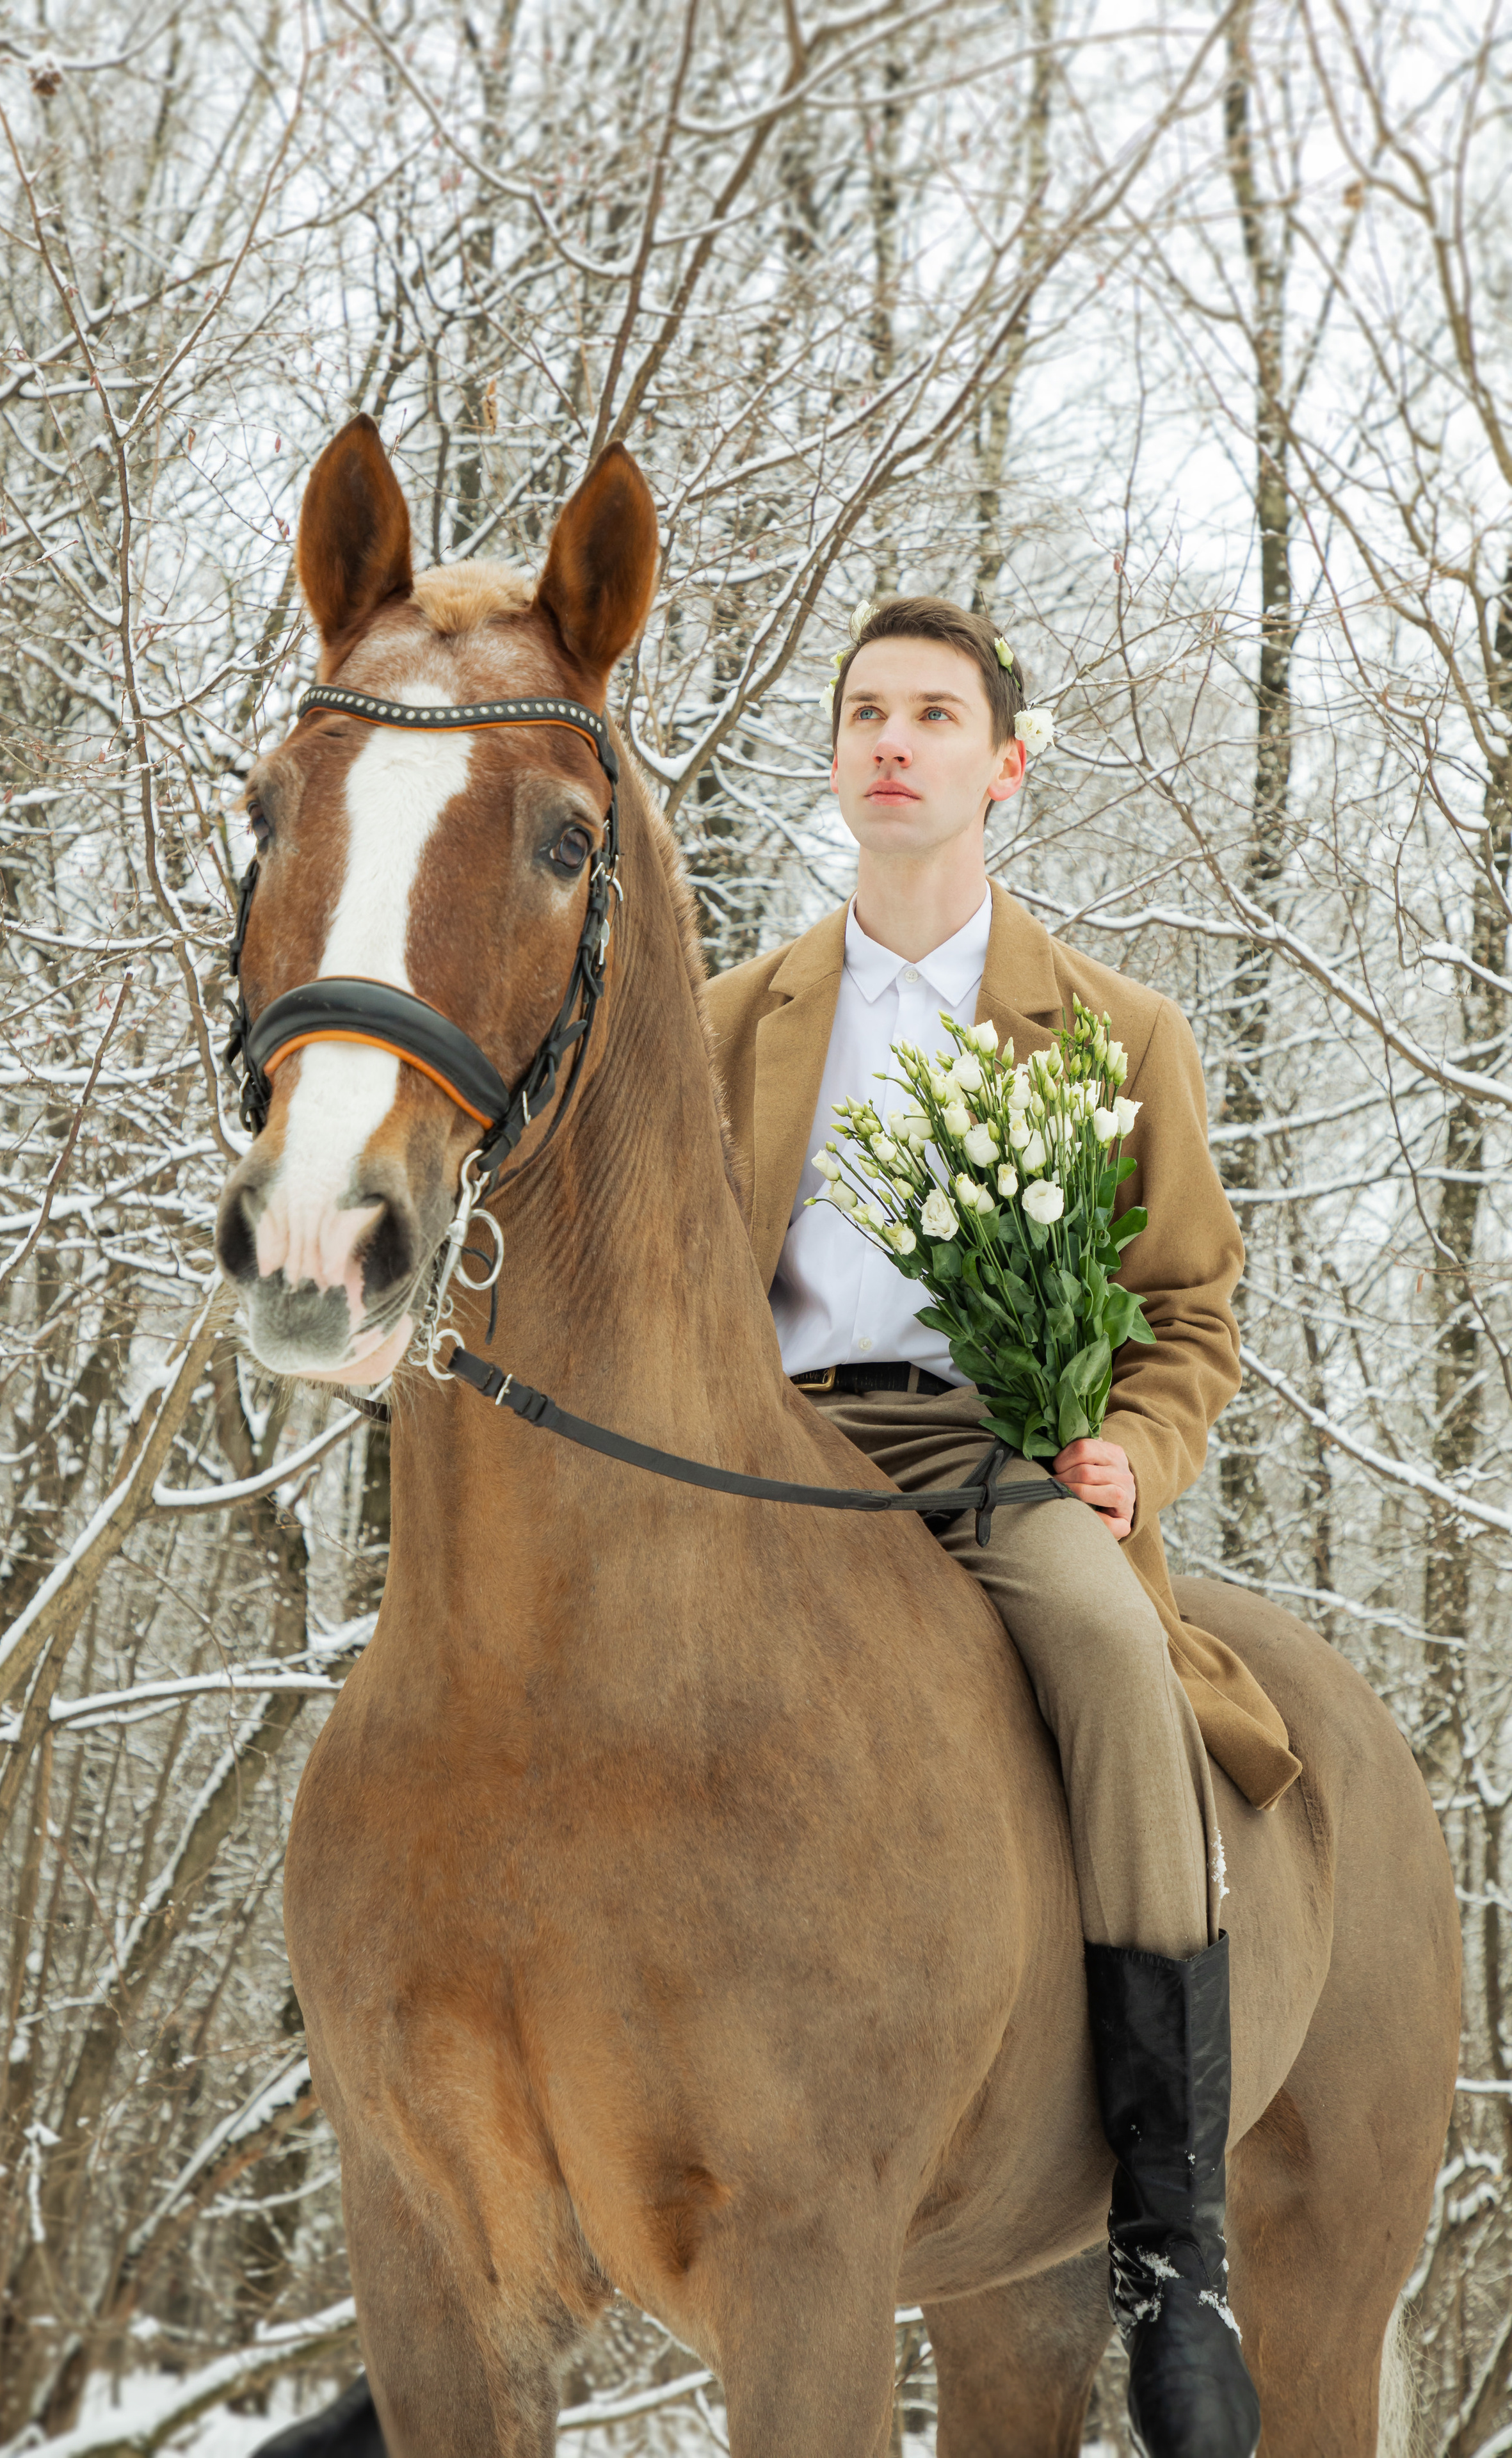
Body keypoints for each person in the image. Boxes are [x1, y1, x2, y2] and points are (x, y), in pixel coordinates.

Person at [704, 598, 1303, 2458]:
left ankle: (1171, 2251)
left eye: (935, 716)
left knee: (1121, 1661)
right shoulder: (729, 1023)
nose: (896, 741)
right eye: (866, 713)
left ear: (1002, 764)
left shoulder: (1116, 1030)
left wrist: (1132, 1441)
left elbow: (1191, 1309)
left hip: (994, 1471)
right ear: (834, 758)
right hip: (759, 1467)